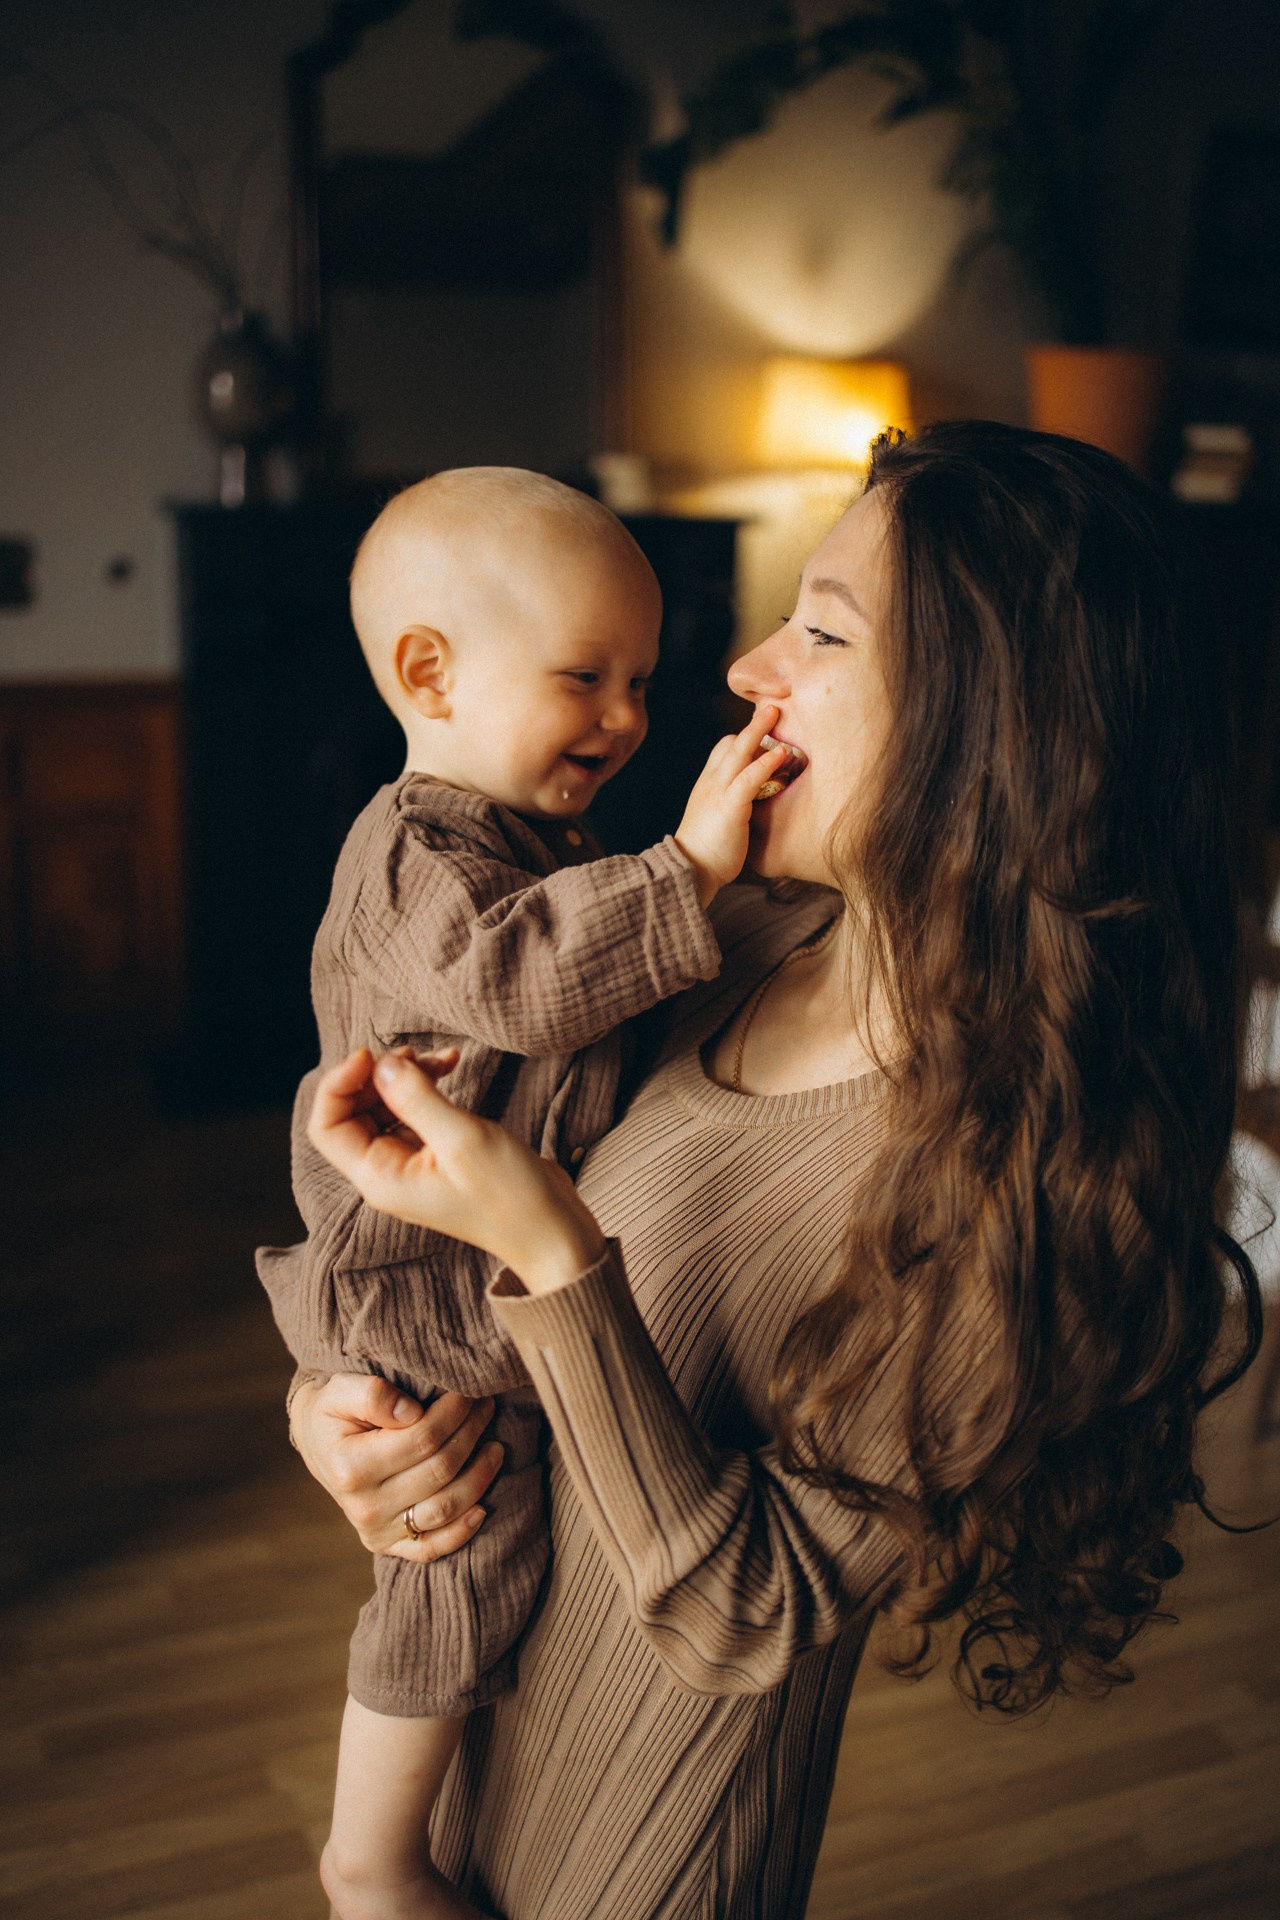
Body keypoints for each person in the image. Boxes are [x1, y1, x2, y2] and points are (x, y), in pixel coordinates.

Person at [290, 423, 1263, 1920]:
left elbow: (753, 1610)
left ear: (991, 725)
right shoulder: (716, 944)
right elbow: (431, 1244)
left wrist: (558, 1258)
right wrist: (350, 1423)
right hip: (454, 1728)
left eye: (819, 627)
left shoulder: (1006, 1175)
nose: (747, 667)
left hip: (641, 1858)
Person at [257, 466, 799, 1920]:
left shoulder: (543, 845)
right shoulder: (415, 859)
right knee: (462, 1549)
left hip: (480, 1292)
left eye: (637, 680)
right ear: (427, 672)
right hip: (414, 1296)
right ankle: (369, 1858)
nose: (625, 720)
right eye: (584, 677)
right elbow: (529, 978)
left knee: (503, 1559)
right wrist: (686, 866)